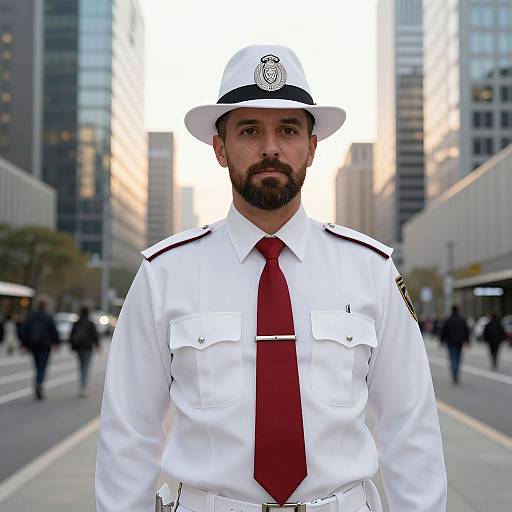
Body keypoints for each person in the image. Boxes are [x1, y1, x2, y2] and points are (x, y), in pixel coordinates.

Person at [96, 45, 447, 512]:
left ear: (312, 147)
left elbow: (410, 426)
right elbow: (129, 434)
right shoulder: (165, 274)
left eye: (288, 129)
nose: (270, 148)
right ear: (220, 148)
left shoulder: (371, 269)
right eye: (248, 130)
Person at [20, 298, 60, 399]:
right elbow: (53, 330)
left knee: (37, 365)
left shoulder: (31, 316)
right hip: (45, 345)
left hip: (33, 344)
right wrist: (56, 343)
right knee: (42, 366)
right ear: (46, 306)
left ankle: (38, 381)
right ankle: (39, 383)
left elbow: (24, 330)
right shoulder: (48, 317)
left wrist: (24, 344)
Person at [69, 305, 100, 397]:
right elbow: (94, 335)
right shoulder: (90, 323)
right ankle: (83, 387)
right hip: (87, 348)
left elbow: (72, 335)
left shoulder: (76, 322)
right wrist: (97, 345)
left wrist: (72, 346)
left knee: (81, 366)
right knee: (85, 367)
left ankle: (82, 385)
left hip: (79, 348)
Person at [440, 305, 470, 384]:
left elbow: (444, 331)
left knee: (453, 358)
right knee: (458, 358)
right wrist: (467, 341)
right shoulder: (462, 320)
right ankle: (456, 373)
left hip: (450, 342)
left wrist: (441, 341)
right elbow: (466, 331)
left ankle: (454, 374)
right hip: (459, 342)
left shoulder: (448, 320)